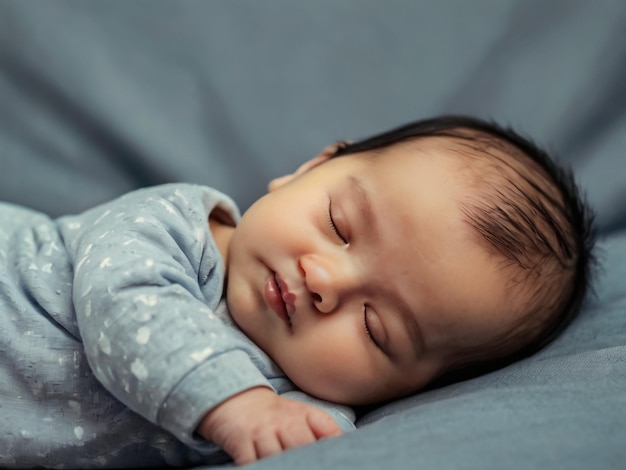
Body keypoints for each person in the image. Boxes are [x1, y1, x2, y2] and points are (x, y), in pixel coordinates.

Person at [0, 116, 596, 468]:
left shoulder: (304, 414)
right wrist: (235, 405)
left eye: (375, 328)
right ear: (309, 170)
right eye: (339, 224)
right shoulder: (173, 226)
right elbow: (123, 304)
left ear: (411, 388)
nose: (325, 281)